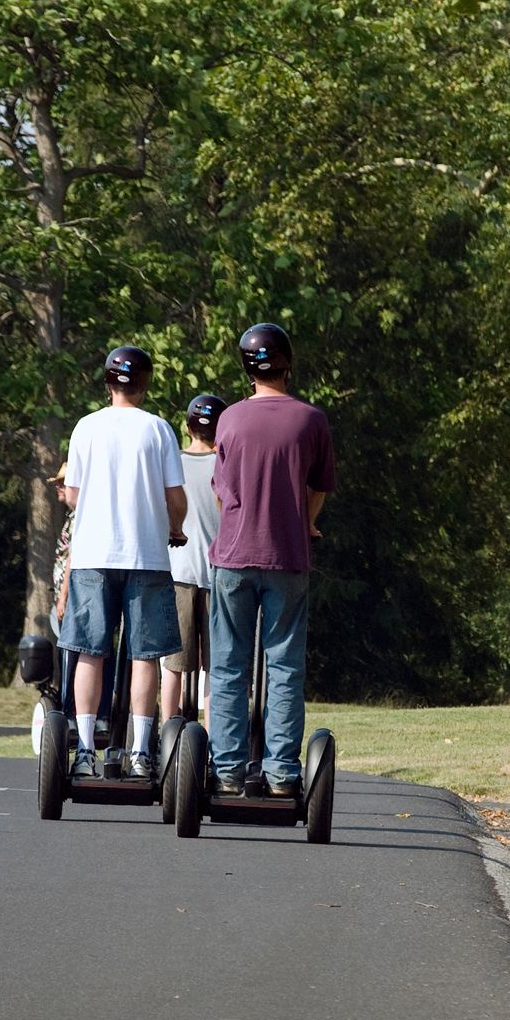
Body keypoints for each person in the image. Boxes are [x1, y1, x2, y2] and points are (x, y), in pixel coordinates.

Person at [206, 323, 336, 796]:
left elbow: (221, 494)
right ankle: (282, 772)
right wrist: (306, 521)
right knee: (284, 667)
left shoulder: (230, 421)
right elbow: (319, 486)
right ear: (288, 362)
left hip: (235, 558)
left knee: (228, 667)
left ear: (245, 368)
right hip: (288, 559)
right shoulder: (310, 420)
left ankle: (227, 769)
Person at [58, 345, 187, 780]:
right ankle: (139, 751)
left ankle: (85, 750)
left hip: (94, 554)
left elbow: (72, 493)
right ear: (145, 384)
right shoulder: (159, 430)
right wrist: (175, 527)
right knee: (144, 655)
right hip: (146, 555)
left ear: (108, 383)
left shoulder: (85, 427)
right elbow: (175, 497)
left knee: (90, 652)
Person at [162, 394, 225, 724]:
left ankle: (165, 735)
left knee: (173, 665)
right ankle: (216, 744)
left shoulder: (173, 465)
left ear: (188, 426)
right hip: (218, 575)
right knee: (216, 669)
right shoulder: (226, 466)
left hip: (179, 573)